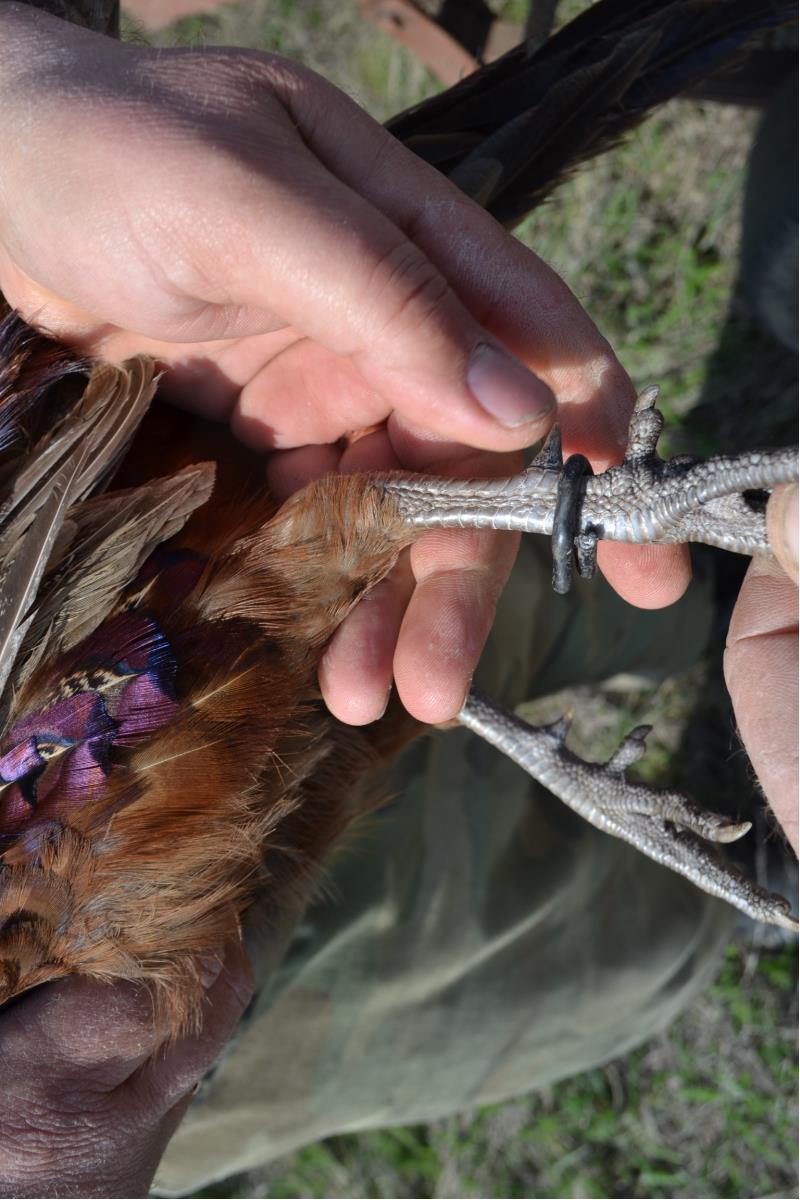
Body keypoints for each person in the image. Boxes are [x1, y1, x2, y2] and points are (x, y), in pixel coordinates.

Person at [0, 3, 796, 1196]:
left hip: (177, 495)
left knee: (464, 584)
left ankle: (707, 580)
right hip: (249, 796)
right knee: (537, 916)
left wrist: (19, 103)